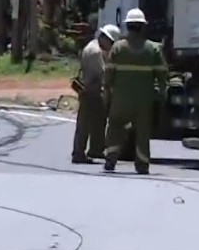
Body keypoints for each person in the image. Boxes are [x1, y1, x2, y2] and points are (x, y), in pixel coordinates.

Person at [102, 9, 168, 174]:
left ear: (127, 26)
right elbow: (162, 77)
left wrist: (107, 95)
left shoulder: (117, 48)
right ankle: (142, 164)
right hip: (143, 101)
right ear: (143, 27)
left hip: (121, 100)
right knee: (143, 132)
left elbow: (108, 75)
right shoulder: (154, 49)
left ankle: (111, 158)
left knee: (115, 127)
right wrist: (162, 97)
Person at [71, 24, 120, 164]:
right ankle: (79, 153)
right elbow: (103, 73)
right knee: (85, 123)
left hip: (90, 88)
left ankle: (96, 149)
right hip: (90, 89)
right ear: (106, 39)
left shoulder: (92, 45)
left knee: (97, 120)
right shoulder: (96, 52)